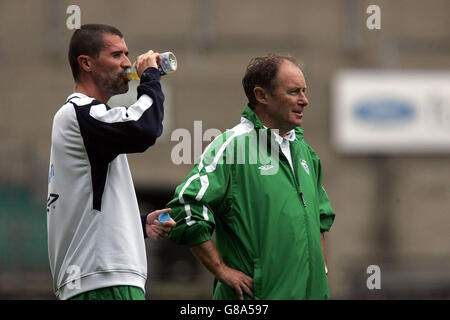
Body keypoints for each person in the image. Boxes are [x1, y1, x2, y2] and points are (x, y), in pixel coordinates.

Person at [167, 54, 335, 300]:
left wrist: (322, 271)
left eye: (304, 91)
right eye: (294, 92)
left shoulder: (306, 152)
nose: (305, 100)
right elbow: (187, 206)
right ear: (261, 95)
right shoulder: (232, 147)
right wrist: (221, 270)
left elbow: (320, 219)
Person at [47, 24, 175, 300]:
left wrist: (138, 224)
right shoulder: (79, 113)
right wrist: (150, 77)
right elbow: (145, 129)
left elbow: (86, 205)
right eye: (117, 55)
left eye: (127, 54)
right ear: (87, 63)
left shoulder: (92, 121)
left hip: (97, 278)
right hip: (103, 280)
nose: (128, 63)